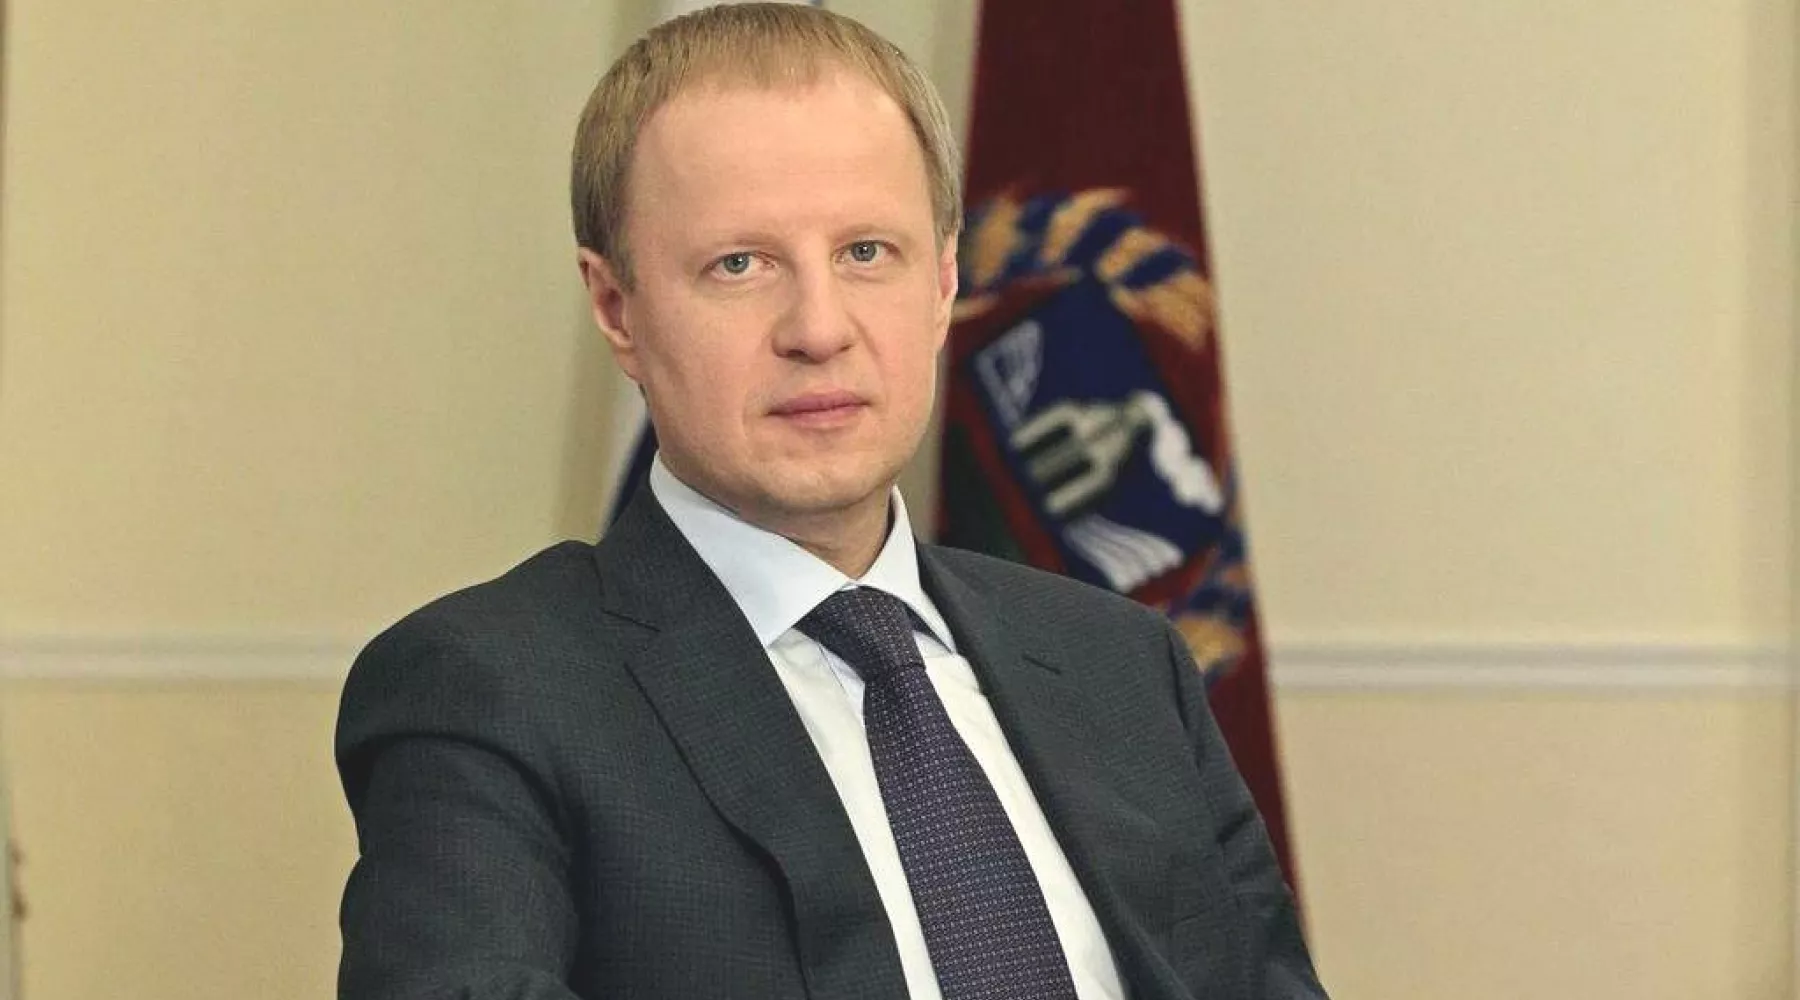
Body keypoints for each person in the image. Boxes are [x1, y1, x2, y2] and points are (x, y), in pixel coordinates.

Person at [334, 5, 1327, 999]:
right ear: (616, 308)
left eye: (866, 253)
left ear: (944, 281)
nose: (819, 328)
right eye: (739, 264)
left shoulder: (1124, 664)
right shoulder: (492, 690)